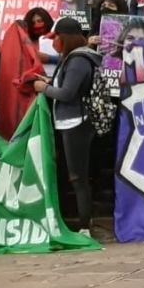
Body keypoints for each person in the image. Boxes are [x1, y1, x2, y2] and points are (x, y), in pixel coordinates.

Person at [32, 18, 101, 237]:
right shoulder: (71, 58)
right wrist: (50, 83)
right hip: (68, 121)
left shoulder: (78, 59)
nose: (54, 43)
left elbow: (68, 94)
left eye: (56, 39)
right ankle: (82, 222)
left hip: (76, 122)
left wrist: (44, 88)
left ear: (65, 38)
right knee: (74, 175)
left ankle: (84, 227)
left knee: (78, 176)